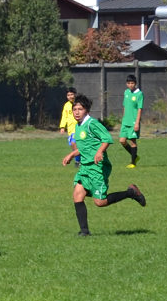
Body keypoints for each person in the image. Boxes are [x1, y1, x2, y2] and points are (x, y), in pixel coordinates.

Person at [62, 94, 145, 236]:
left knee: (100, 202)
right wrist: (71, 154)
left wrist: (100, 152)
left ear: (87, 111)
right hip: (85, 168)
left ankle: (131, 192)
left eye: (80, 109)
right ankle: (84, 232)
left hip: (97, 167)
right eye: (75, 109)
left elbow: (107, 138)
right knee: (77, 195)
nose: (76, 112)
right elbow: (85, 147)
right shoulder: (78, 126)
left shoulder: (92, 124)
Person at [119, 74, 142, 168]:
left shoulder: (139, 94)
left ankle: (133, 162)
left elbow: (140, 109)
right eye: (129, 83)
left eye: (132, 83)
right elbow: (125, 106)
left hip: (133, 122)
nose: (130, 85)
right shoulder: (126, 92)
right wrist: (123, 118)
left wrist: (137, 123)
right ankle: (135, 156)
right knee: (122, 140)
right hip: (125, 121)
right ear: (126, 84)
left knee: (133, 142)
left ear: (135, 83)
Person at [59, 87, 79, 166]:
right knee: (73, 146)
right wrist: (62, 127)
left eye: (72, 94)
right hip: (70, 129)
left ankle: (78, 162)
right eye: (68, 95)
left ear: (75, 95)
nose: (70, 96)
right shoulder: (66, 105)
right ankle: (79, 160)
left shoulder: (78, 104)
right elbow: (64, 116)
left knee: (74, 143)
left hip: (78, 128)